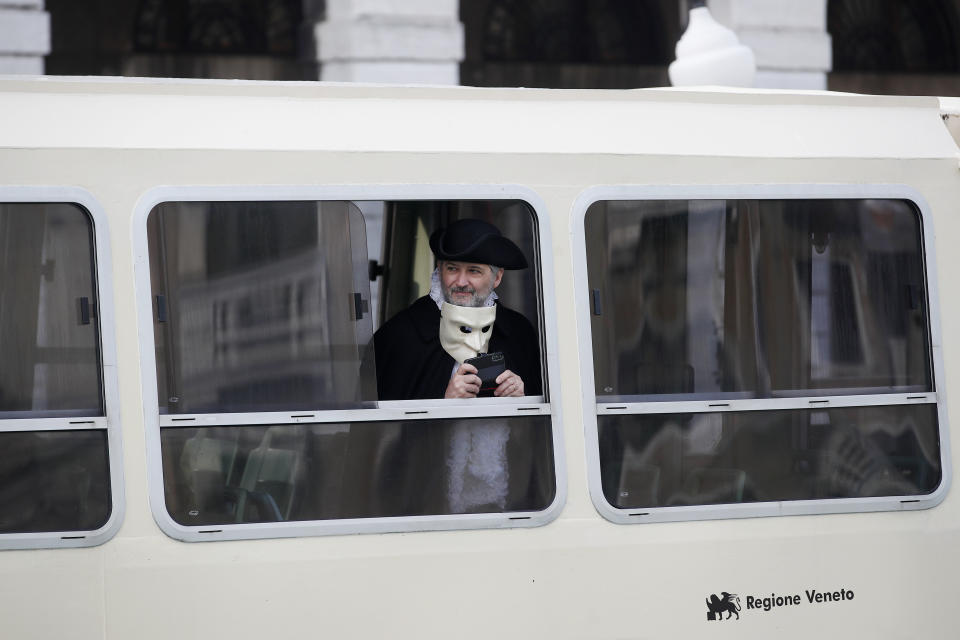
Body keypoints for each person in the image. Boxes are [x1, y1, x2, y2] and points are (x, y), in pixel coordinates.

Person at [373, 218, 542, 401]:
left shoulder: (519, 332)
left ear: (497, 277)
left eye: (474, 271)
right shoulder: (401, 334)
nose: (461, 282)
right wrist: (445, 401)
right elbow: (380, 425)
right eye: (452, 269)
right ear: (439, 269)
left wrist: (522, 397)